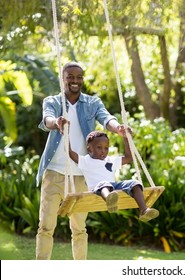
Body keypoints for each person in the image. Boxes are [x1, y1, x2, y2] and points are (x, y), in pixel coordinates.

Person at [36, 61, 127, 260]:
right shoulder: (53, 101)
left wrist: (117, 127)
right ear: (63, 79)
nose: (75, 81)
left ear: (82, 80)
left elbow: (106, 118)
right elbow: (47, 118)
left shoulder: (92, 103)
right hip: (54, 173)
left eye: (78, 77)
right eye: (70, 77)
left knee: (79, 229)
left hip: (81, 174)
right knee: (45, 226)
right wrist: (57, 122)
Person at [68, 130, 159, 221]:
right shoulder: (85, 161)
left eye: (106, 148)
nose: (103, 151)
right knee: (104, 184)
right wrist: (66, 134)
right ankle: (109, 199)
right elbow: (70, 153)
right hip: (97, 188)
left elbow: (129, 158)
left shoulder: (110, 160)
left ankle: (144, 210)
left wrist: (126, 138)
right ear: (89, 149)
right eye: (99, 147)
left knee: (134, 183)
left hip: (113, 187)